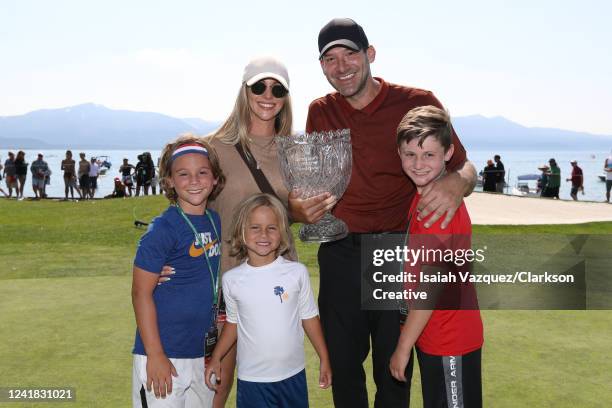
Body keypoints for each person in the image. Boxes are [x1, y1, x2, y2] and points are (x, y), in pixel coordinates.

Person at [289, 18, 477, 407]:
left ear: (369, 54)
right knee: (344, 365)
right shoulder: (319, 112)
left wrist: (456, 184)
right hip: (340, 251)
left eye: (350, 54)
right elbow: (308, 186)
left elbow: (464, 165)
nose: (341, 67)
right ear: (321, 66)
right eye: (330, 59)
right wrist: (296, 208)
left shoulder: (417, 101)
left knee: (394, 373)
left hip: (394, 251)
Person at [161, 56, 296, 407]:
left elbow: (296, 215)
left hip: (275, 282)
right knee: (218, 382)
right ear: (244, 91)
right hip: (224, 281)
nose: (268, 95)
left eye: (277, 88)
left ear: (286, 96)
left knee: (271, 379)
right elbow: (187, 206)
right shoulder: (214, 148)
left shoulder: (295, 151)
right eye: (259, 86)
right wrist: (163, 257)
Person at [389, 105, 483, 407]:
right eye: (410, 154)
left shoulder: (438, 208)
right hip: (433, 336)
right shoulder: (423, 194)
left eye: (428, 154)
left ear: (448, 152)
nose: (418, 164)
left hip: (450, 339)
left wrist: (403, 347)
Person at [204, 194, 331, 408]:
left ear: (282, 234)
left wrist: (324, 358)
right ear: (241, 232)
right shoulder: (232, 280)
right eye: (255, 227)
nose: (264, 234)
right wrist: (216, 357)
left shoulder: (296, 273)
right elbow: (232, 323)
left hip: (293, 376)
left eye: (272, 228)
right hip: (253, 381)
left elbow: (309, 318)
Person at [131, 135, 225, 407]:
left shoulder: (214, 220)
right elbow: (140, 294)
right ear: (170, 180)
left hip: (202, 355)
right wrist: (156, 355)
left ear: (215, 178)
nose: (194, 180)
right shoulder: (163, 228)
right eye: (183, 174)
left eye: (202, 172)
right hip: (164, 355)